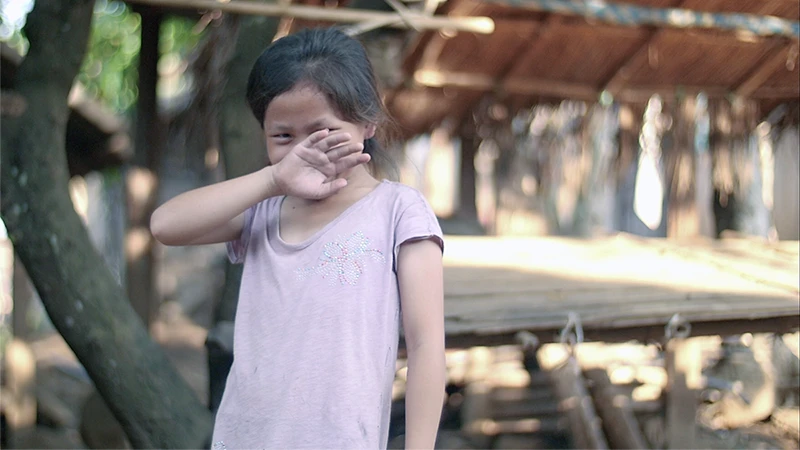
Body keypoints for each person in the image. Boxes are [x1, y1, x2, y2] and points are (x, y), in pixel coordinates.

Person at [150, 27, 446, 449]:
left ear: (368, 121)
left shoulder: (399, 212)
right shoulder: (262, 209)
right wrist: (273, 180)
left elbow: (425, 344)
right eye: (283, 136)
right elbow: (165, 225)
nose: (305, 151)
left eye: (322, 133)